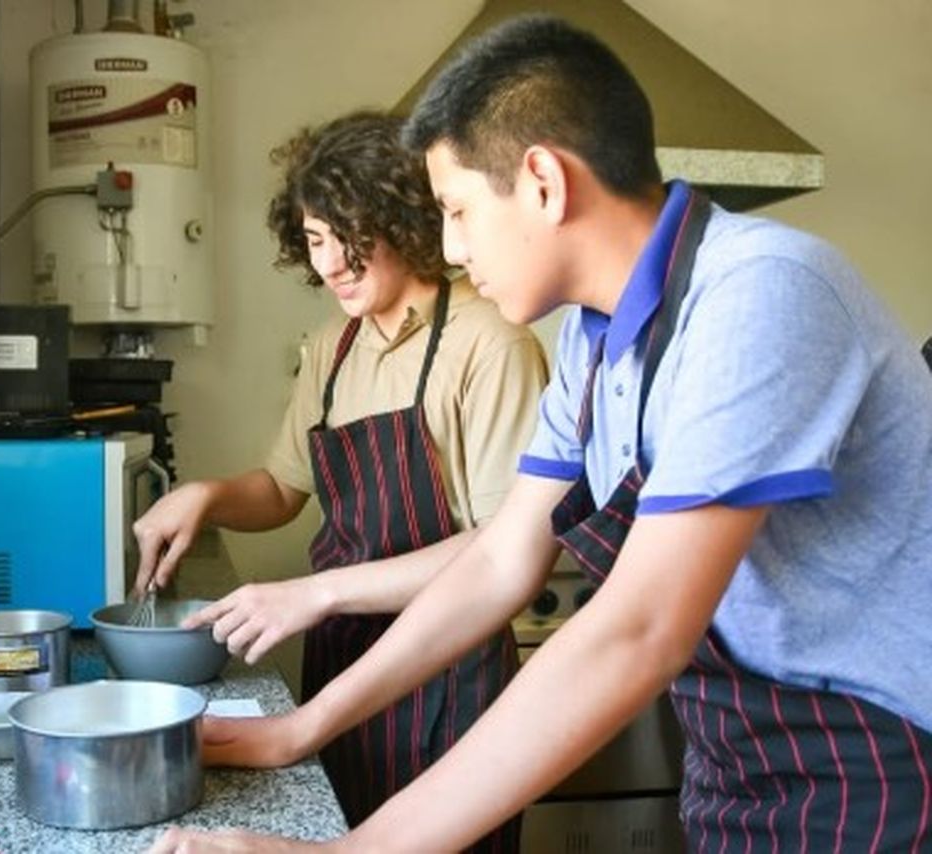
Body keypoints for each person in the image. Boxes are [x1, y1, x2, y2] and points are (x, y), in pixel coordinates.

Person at [149, 13, 932, 853]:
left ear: (543, 183)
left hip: (874, 767)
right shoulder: (595, 341)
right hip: (739, 762)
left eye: (456, 210)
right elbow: (499, 561)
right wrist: (298, 730)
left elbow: (639, 628)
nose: (449, 246)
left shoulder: (760, 292)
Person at [132, 110, 548, 849]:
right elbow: (282, 490)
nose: (329, 265)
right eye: (315, 240)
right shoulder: (333, 346)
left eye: (346, 236)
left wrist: (317, 591)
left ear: (404, 218)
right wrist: (208, 497)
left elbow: (498, 547)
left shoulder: (491, 342)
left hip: (447, 675)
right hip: (340, 665)